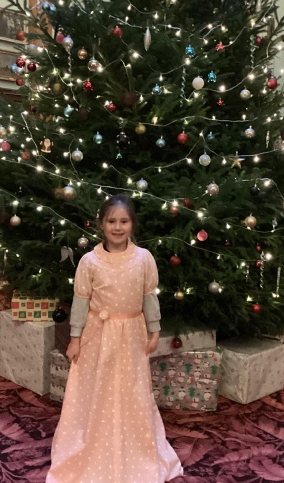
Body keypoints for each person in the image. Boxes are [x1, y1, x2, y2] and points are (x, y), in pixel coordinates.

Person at [46, 194, 183, 483]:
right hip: (99, 335)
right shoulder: (89, 261)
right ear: (101, 224)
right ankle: (95, 441)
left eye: (123, 221)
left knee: (131, 388)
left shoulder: (144, 259)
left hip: (132, 335)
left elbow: (149, 296)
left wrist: (155, 329)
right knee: (98, 387)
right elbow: (81, 302)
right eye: (111, 221)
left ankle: (132, 443)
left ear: (132, 224)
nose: (117, 227)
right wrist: (75, 338)